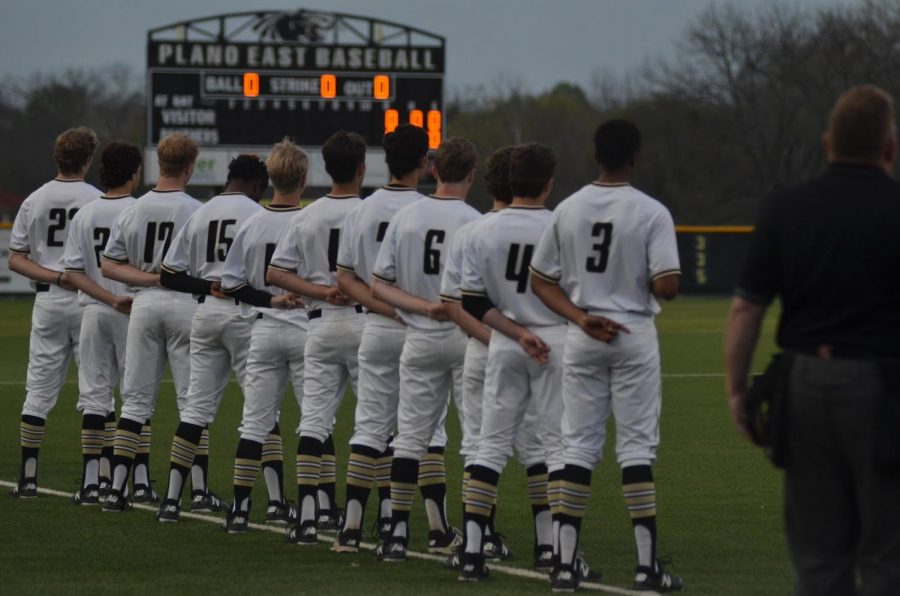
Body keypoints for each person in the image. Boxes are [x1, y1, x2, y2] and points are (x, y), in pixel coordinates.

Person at [725, 85, 900, 596]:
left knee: (820, 560)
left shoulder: (787, 206)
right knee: (888, 557)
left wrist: (738, 391)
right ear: (889, 148)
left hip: (804, 388)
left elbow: (745, 307)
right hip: (885, 390)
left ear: (828, 143)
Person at [530, 119, 683, 592]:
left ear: (596, 155)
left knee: (577, 445)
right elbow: (668, 286)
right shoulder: (651, 211)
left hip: (584, 333)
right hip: (633, 332)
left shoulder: (568, 209)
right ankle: (646, 567)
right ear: (634, 156)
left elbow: (540, 280)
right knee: (636, 447)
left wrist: (578, 317)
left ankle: (563, 564)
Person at [332, 124, 453, 553]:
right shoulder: (430, 210)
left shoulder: (361, 210)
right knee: (428, 431)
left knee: (369, 426)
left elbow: (344, 278)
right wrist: (410, 310)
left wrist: (388, 309)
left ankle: (349, 531)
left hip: (379, 327)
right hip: (427, 328)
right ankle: (438, 529)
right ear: (425, 163)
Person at [370, 137, 482, 561]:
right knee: (475, 440)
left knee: (411, 437)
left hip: (419, 336)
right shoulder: (476, 220)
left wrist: (423, 308)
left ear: (434, 169)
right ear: (471, 174)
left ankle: (397, 533)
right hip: (464, 338)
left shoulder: (407, 216)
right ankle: (476, 537)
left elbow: (379, 285)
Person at [456, 143, 563, 581]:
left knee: (489, 446)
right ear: (548, 183)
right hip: (553, 343)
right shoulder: (561, 226)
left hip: (501, 342)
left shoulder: (483, 229)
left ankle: (473, 553)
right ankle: (558, 552)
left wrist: (515, 333)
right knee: (556, 448)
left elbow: (471, 301)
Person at [153, 154, 269, 522]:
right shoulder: (257, 213)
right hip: (245, 314)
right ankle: (269, 502)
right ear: (255, 185)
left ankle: (171, 501)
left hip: (205, 315)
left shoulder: (199, 212)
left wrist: (209, 284)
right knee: (261, 410)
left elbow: (169, 274)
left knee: (195, 410)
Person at [267, 130, 367, 545]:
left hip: (321, 324)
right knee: (374, 425)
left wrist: (320, 290)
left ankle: (307, 518)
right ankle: (368, 523)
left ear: (325, 169)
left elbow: (276, 274)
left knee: (313, 421)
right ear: (362, 169)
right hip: (364, 322)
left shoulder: (306, 214)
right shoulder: (370, 212)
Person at [100, 133, 202, 512]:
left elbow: (108, 265)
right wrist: (165, 277)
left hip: (144, 304)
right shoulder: (196, 209)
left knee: (136, 401)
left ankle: (116, 490)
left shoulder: (134, 209)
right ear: (189, 167)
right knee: (191, 402)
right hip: (185, 306)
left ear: (160, 165)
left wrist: (149, 278)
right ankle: (189, 493)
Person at [439, 145, 525, 566]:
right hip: (530, 350)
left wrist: (491, 339)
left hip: (479, 345)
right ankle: (552, 547)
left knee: (477, 446)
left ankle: (479, 538)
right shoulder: (550, 228)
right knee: (544, 449)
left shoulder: (472, 230)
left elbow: (456, 304)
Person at [219, 139, 309, 532]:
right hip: (308, 328)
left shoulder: (253, 222)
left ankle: (239, 509)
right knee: (315, 422)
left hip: (263, 328)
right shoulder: (311, 221)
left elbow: (231, 284)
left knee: (255, 421)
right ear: (304, 178)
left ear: (270, 177)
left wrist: (270, 303)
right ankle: (316, 511)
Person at [8, 127, 101, 498]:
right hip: (86, 300)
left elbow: (16, 259)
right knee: (96, 389)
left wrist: (55, 275)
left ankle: (28, 477)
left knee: (38, 390)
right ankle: (93, 481)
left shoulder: (35, 199)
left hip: (49, 299)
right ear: (88, 160)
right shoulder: (96, 199)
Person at [62, 141, 142, 504]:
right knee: (136, 397)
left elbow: (72, 273)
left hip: (94, 310)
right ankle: (136, 480)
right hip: (132, 311)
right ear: (134, 172)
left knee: (95, 397)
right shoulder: (140, 210)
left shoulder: (85, 214)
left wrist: (104, 297)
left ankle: (91, 482)